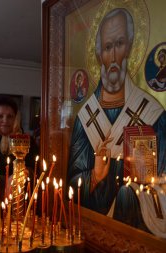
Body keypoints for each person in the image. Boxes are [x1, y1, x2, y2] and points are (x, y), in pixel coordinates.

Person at [67, 8, 166, 236]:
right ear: (99, 54)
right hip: (89, 230)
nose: (113, 57)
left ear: (131, 47)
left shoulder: (154, 115)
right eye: (107, 47)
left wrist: (133, 194)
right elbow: (68, 186)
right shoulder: (85, 118)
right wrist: (94, 177)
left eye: (119, 44)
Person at [0, 96, 39, 197]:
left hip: (22, 195)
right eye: (0, 116)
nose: (5, 120)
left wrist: (25, 173)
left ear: (16, 118)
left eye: (10, 116)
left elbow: (36, 167)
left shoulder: (26, 140)